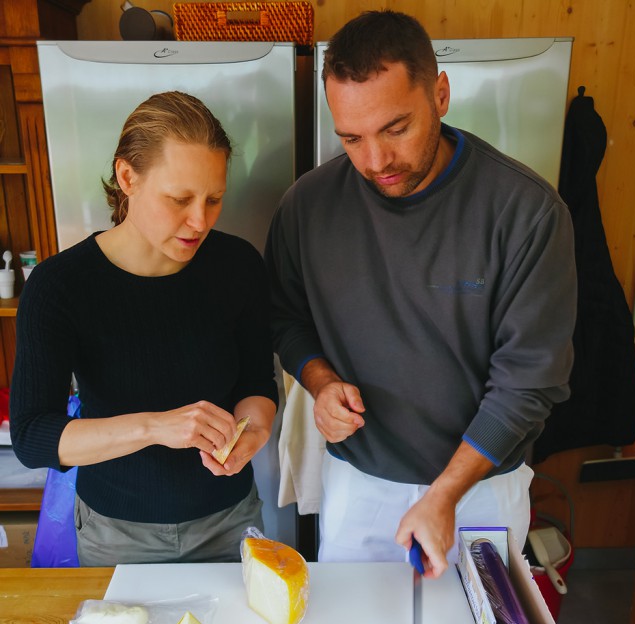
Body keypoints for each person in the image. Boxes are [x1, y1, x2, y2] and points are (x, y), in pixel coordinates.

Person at [265, 11, 577, 578]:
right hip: (360, 485)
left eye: (395, 128)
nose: (376, 161)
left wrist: (446, 494)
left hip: (483, 489)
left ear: (440, 93)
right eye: (352, 139)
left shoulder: (526, 212)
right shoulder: (307, 209)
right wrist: (320, 381)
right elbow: (285, 318)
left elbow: (530, 381)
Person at [10, 91, 278, 566]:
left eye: (214, 199)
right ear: (127, 177)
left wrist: (254, 429)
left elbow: (257, 382)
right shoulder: (59, 286)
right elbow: (33, 437)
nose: (200, 221)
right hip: (115, 533)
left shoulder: (238, 266)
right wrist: (156, 427)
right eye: (179, 199)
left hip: (230, 520)